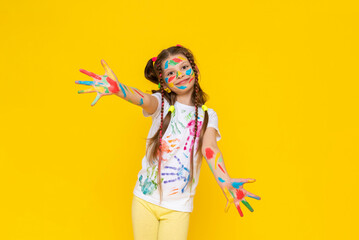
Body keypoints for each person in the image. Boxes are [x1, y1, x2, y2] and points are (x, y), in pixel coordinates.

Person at [75, 44, 261, 240]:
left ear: (195, 69)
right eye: (171, 72)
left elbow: (210, 148)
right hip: (145, 200)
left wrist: (225, 181)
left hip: (178, 208)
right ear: (163, 82)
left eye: (183, 67)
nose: (179, 74)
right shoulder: (161, 104)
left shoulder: (208, 115)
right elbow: (142, 98)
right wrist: (118, 89)